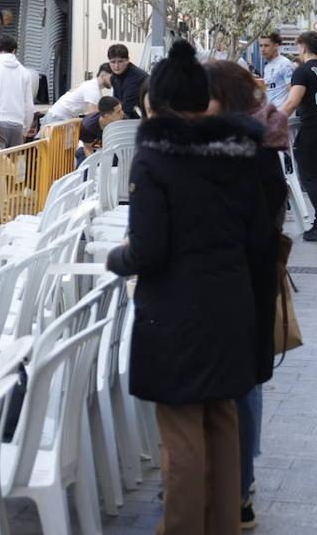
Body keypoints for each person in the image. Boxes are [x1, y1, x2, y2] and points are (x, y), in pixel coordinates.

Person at [106, 40, 274, 535]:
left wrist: (118, 257)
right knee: (223, 420)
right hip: (234, 304)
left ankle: (180, 527)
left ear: (155, 103)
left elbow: (148, 250)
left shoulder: (156, 159)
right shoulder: (243, 154)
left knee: (180, 432)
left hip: (177, 312)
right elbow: (260, 237)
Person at [206, 60, 288, 530]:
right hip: (252, 283)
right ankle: (239, 485)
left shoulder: (240, 151)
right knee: (245, 387)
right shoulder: (260, 147)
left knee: (239, 389)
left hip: (238, 285)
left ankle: (236, 487)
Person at [279, 31, 317, 242]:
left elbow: (292, 102)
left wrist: (272, 119)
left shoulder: (303, 71)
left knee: (308, 177)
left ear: (303, 47)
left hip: (312, 127)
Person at [0, 35, 37, 149]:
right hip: (17, 124)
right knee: (12, 165)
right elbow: (29, 105)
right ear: (14, 51)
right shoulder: (24, 72)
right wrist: (25, 130)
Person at [43, 64, 113, 124]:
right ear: (103, 75)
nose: (114, 80)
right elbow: (93, 117)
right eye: (112, 77)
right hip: (57, 117)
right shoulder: (93, 89)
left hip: (59, 116)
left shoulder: (92, 86)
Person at [75, 96, 124, 165]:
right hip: (90, 149)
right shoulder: (87, 126)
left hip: (109, 150)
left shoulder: (123, 120)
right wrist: (95, 166)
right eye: (118, 112)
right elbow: (88, 148)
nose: (122, 113)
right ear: (107, 116)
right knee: (84, 166)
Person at [106, 43, 150, 119]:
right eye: (113, 62)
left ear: (127, 60)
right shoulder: (114, 77)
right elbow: (116, 104)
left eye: (120, 61)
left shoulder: (136, 78)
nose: (116, 66)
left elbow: (126, 109)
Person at [258, 32, 294, 109]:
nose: (263, 49)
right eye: (261, 46)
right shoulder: (267, 66)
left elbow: (292, 93)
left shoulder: (285, 64)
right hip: (269, 113)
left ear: (276, 46)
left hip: (282, 114)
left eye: (266, 46)